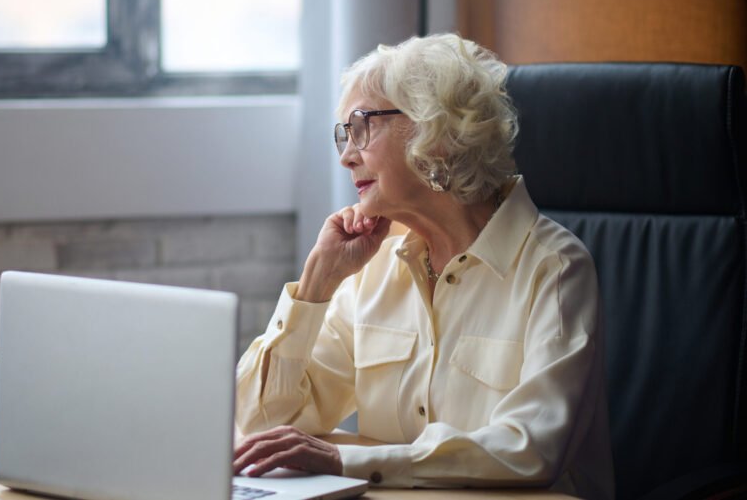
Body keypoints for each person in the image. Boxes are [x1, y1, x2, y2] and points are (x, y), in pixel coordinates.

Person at [233, 34, 614, 500]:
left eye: (360, 127)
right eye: (342, 135)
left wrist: (342, 460)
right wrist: (317, 282)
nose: (346, 155)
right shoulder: (372, 267)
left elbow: (530, 447)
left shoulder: (555, 268)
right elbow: (264, 424)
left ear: (434, 129)